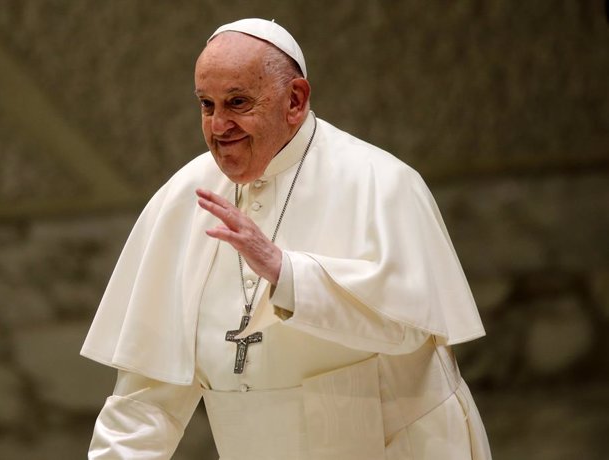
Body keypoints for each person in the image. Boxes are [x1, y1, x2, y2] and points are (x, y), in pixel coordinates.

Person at [81, 18, 491, 460]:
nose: (219, 126)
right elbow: (146, 398)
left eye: (237, 102)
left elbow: (411, 325)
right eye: (206, 104)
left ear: (294, 100)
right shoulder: (184, 199)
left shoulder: (381, 182)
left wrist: (287, 273)